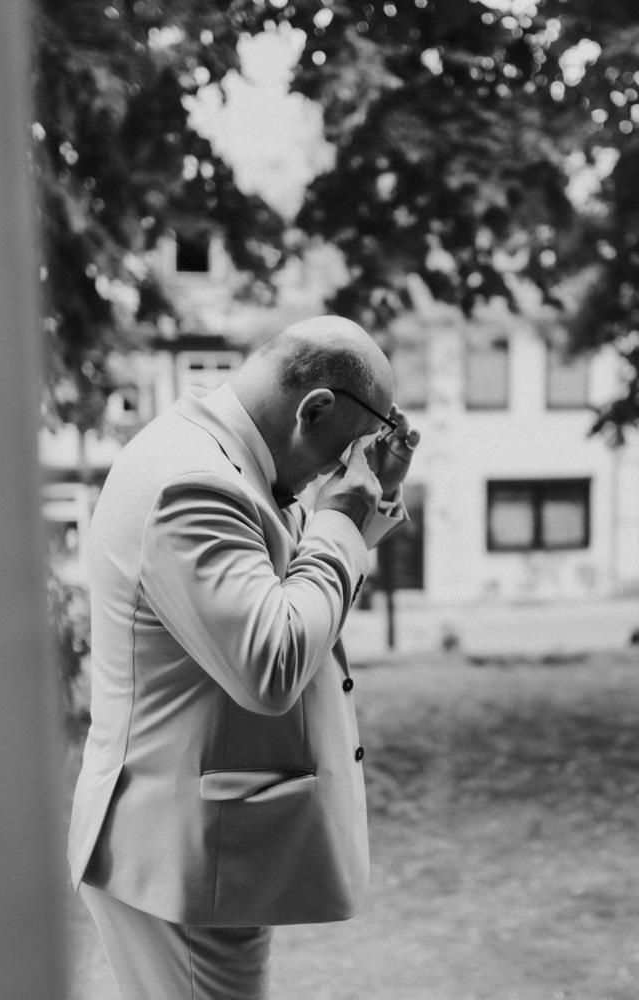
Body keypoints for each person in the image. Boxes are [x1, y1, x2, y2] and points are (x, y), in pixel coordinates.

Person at [66, 315, 419, 999]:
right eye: (337, 455)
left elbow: (300, 592)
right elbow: (273, 661)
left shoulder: (225, 458)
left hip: (194, 847)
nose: (331, 476)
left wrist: (370, 494)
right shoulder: (195, 483)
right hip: (184, 862)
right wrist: (341, 519)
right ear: (313, 409)